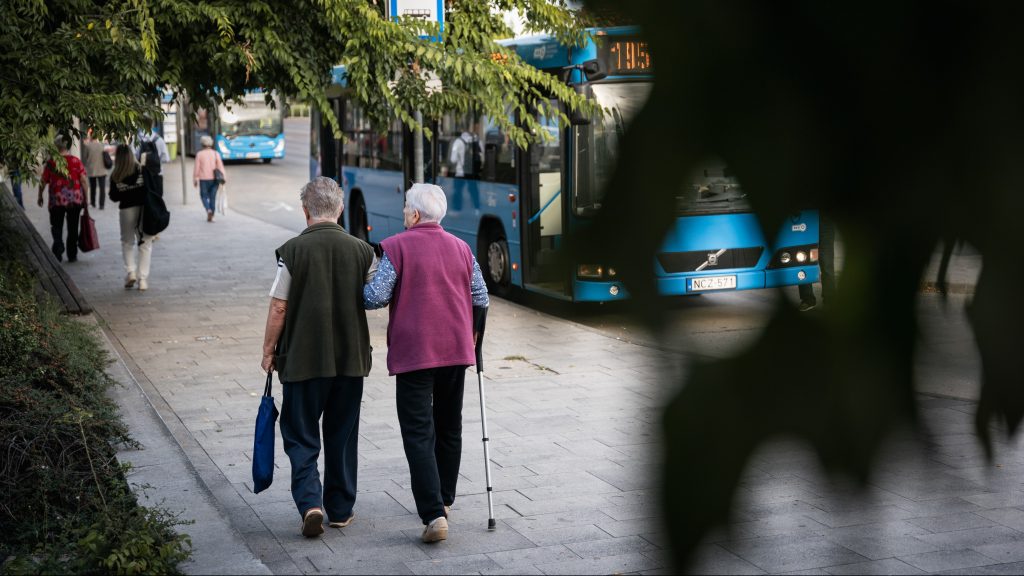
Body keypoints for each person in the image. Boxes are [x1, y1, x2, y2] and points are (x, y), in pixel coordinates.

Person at [363, 183, 490, 543]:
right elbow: (480, 295)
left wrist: (362, 279)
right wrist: (474, 333)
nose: (405, 213)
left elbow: (375, 298)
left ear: (415, 214)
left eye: (406, 208)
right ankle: (445, 499)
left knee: (418, 432)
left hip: (415, 353)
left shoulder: (398, 246)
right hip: (456, 349)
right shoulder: (462, 248)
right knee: (450, 425)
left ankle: (434, 513)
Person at [260, 177, 376, 539]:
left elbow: (280, 306)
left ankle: (311, 503)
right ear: (340, 209)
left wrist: (268, 351)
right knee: (342, 434)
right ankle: (340, 509)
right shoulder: (363, 251)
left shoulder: (293, 251)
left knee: (300, 432)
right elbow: (373, 297)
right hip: (350, 361)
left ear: (305, 210)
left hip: (303, 362)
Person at [108, 144, 156, 291]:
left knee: (127, 242)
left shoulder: (116, 175)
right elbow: (152, 189)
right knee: (145, 243)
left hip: (126, 211)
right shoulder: (142, 170)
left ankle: (131, 272)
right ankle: (143, 280)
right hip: (143, 210)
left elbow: (114, 197)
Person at [37, 136, 88, 263]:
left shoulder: (51, 163)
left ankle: (58, 248)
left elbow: (43, 181)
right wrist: (86, 197)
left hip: (56, 200)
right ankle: (72, 254)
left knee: (56, 226)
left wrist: (40, 195)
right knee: (73, 227)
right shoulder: (76, 161)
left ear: (56, 147)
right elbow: (83, 180)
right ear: (68, 146)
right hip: (74, 200)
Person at [799, 215, 836, 311]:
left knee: (827, 263)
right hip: (807, 219)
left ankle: (830, 299)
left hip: (826, 220)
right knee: (804, 260)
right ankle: (807, 299)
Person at [193, 135, 226, 222]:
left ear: (202, 144)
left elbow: (197, 168)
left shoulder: (199, 154)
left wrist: (195, 179)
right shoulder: (216, 153)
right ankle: (212, 215)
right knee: (212, 197)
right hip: (215, 179)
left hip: (203, 179)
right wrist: (224, 178)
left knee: (203, 196)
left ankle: (208, 210)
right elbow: (220, 167)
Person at [81, 128, 109, 210]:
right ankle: (101, 205)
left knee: (92, 187)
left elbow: (85, 158)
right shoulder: (102, 145)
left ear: (90, 136)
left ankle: (93, 203)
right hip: (102, 169)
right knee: (102, 188)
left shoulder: (87, 146)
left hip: (91, 169)